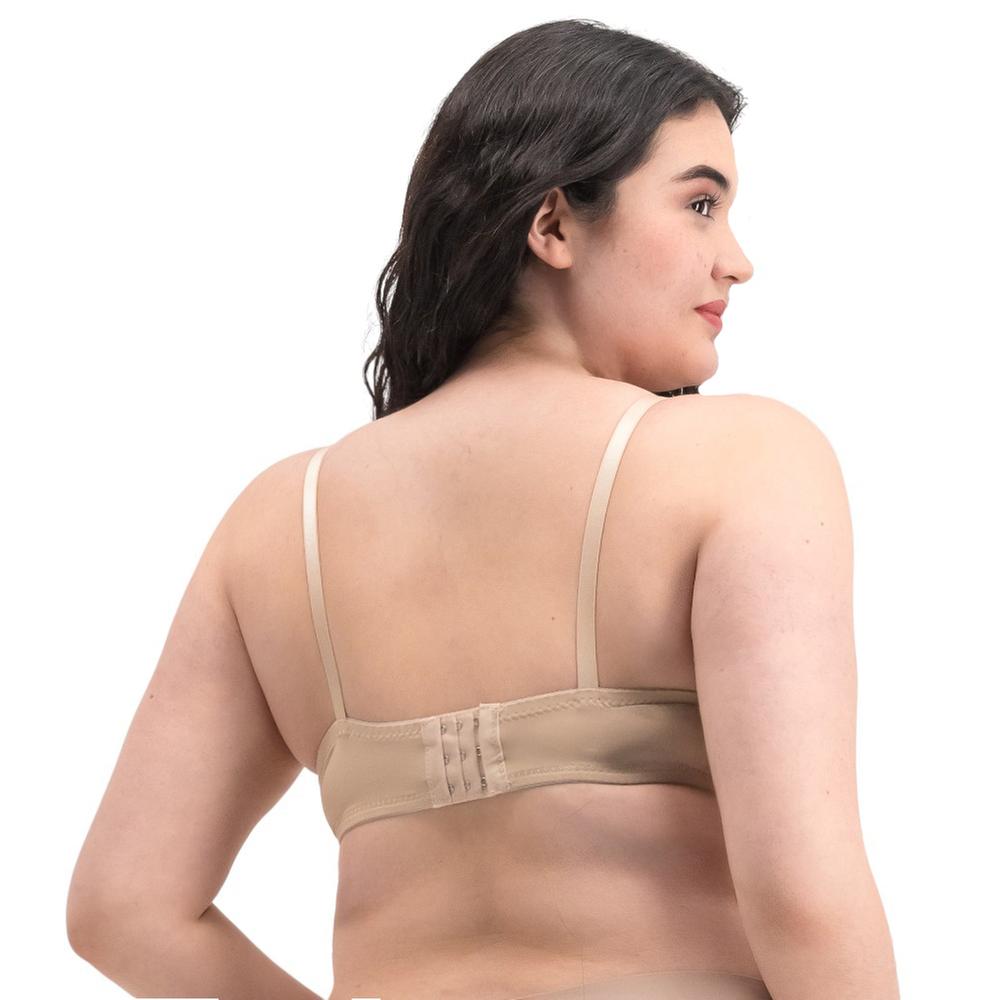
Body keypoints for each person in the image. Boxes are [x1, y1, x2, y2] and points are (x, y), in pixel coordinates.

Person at [66, 18, 900, 1000]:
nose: (736, 260)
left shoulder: (277, 521)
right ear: (553, 226)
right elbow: (803, 900)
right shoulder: (741, 462)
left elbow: (123, 908)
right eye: (700, 205)